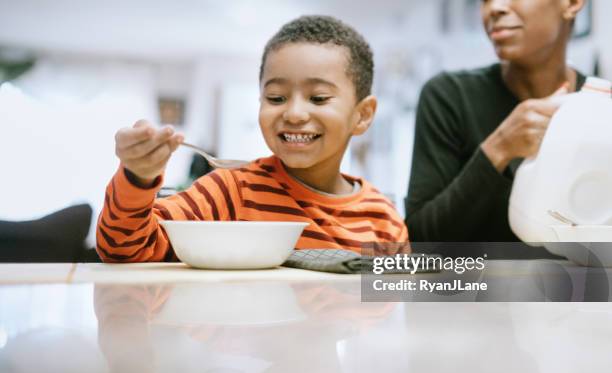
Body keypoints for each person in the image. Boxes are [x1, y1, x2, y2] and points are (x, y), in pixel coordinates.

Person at [97, 15, 408, 262]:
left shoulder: (382, 218)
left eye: (318, 98)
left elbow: (393, 309)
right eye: (276, 97)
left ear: (363, 114)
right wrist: (138, 176)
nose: (295, 113)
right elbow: (125, 249)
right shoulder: (232, 190)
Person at [405, 0, 587, 242]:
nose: (494, 8)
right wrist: (499, 148)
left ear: (572, 3)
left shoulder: (600, 108)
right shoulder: (449, 96)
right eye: (485, 0)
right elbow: (420, 240)